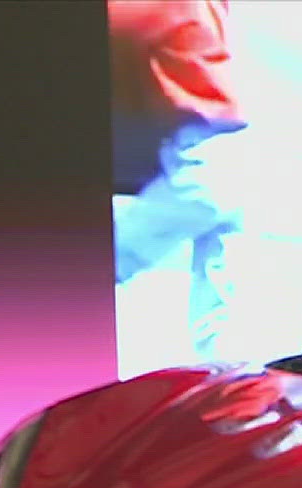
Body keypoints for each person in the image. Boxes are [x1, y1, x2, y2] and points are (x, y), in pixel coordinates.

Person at [109, 0, 248, 365]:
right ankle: (225, 392)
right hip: (232, 149)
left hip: (195, 163)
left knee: (111, 257)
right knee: (219, 307)